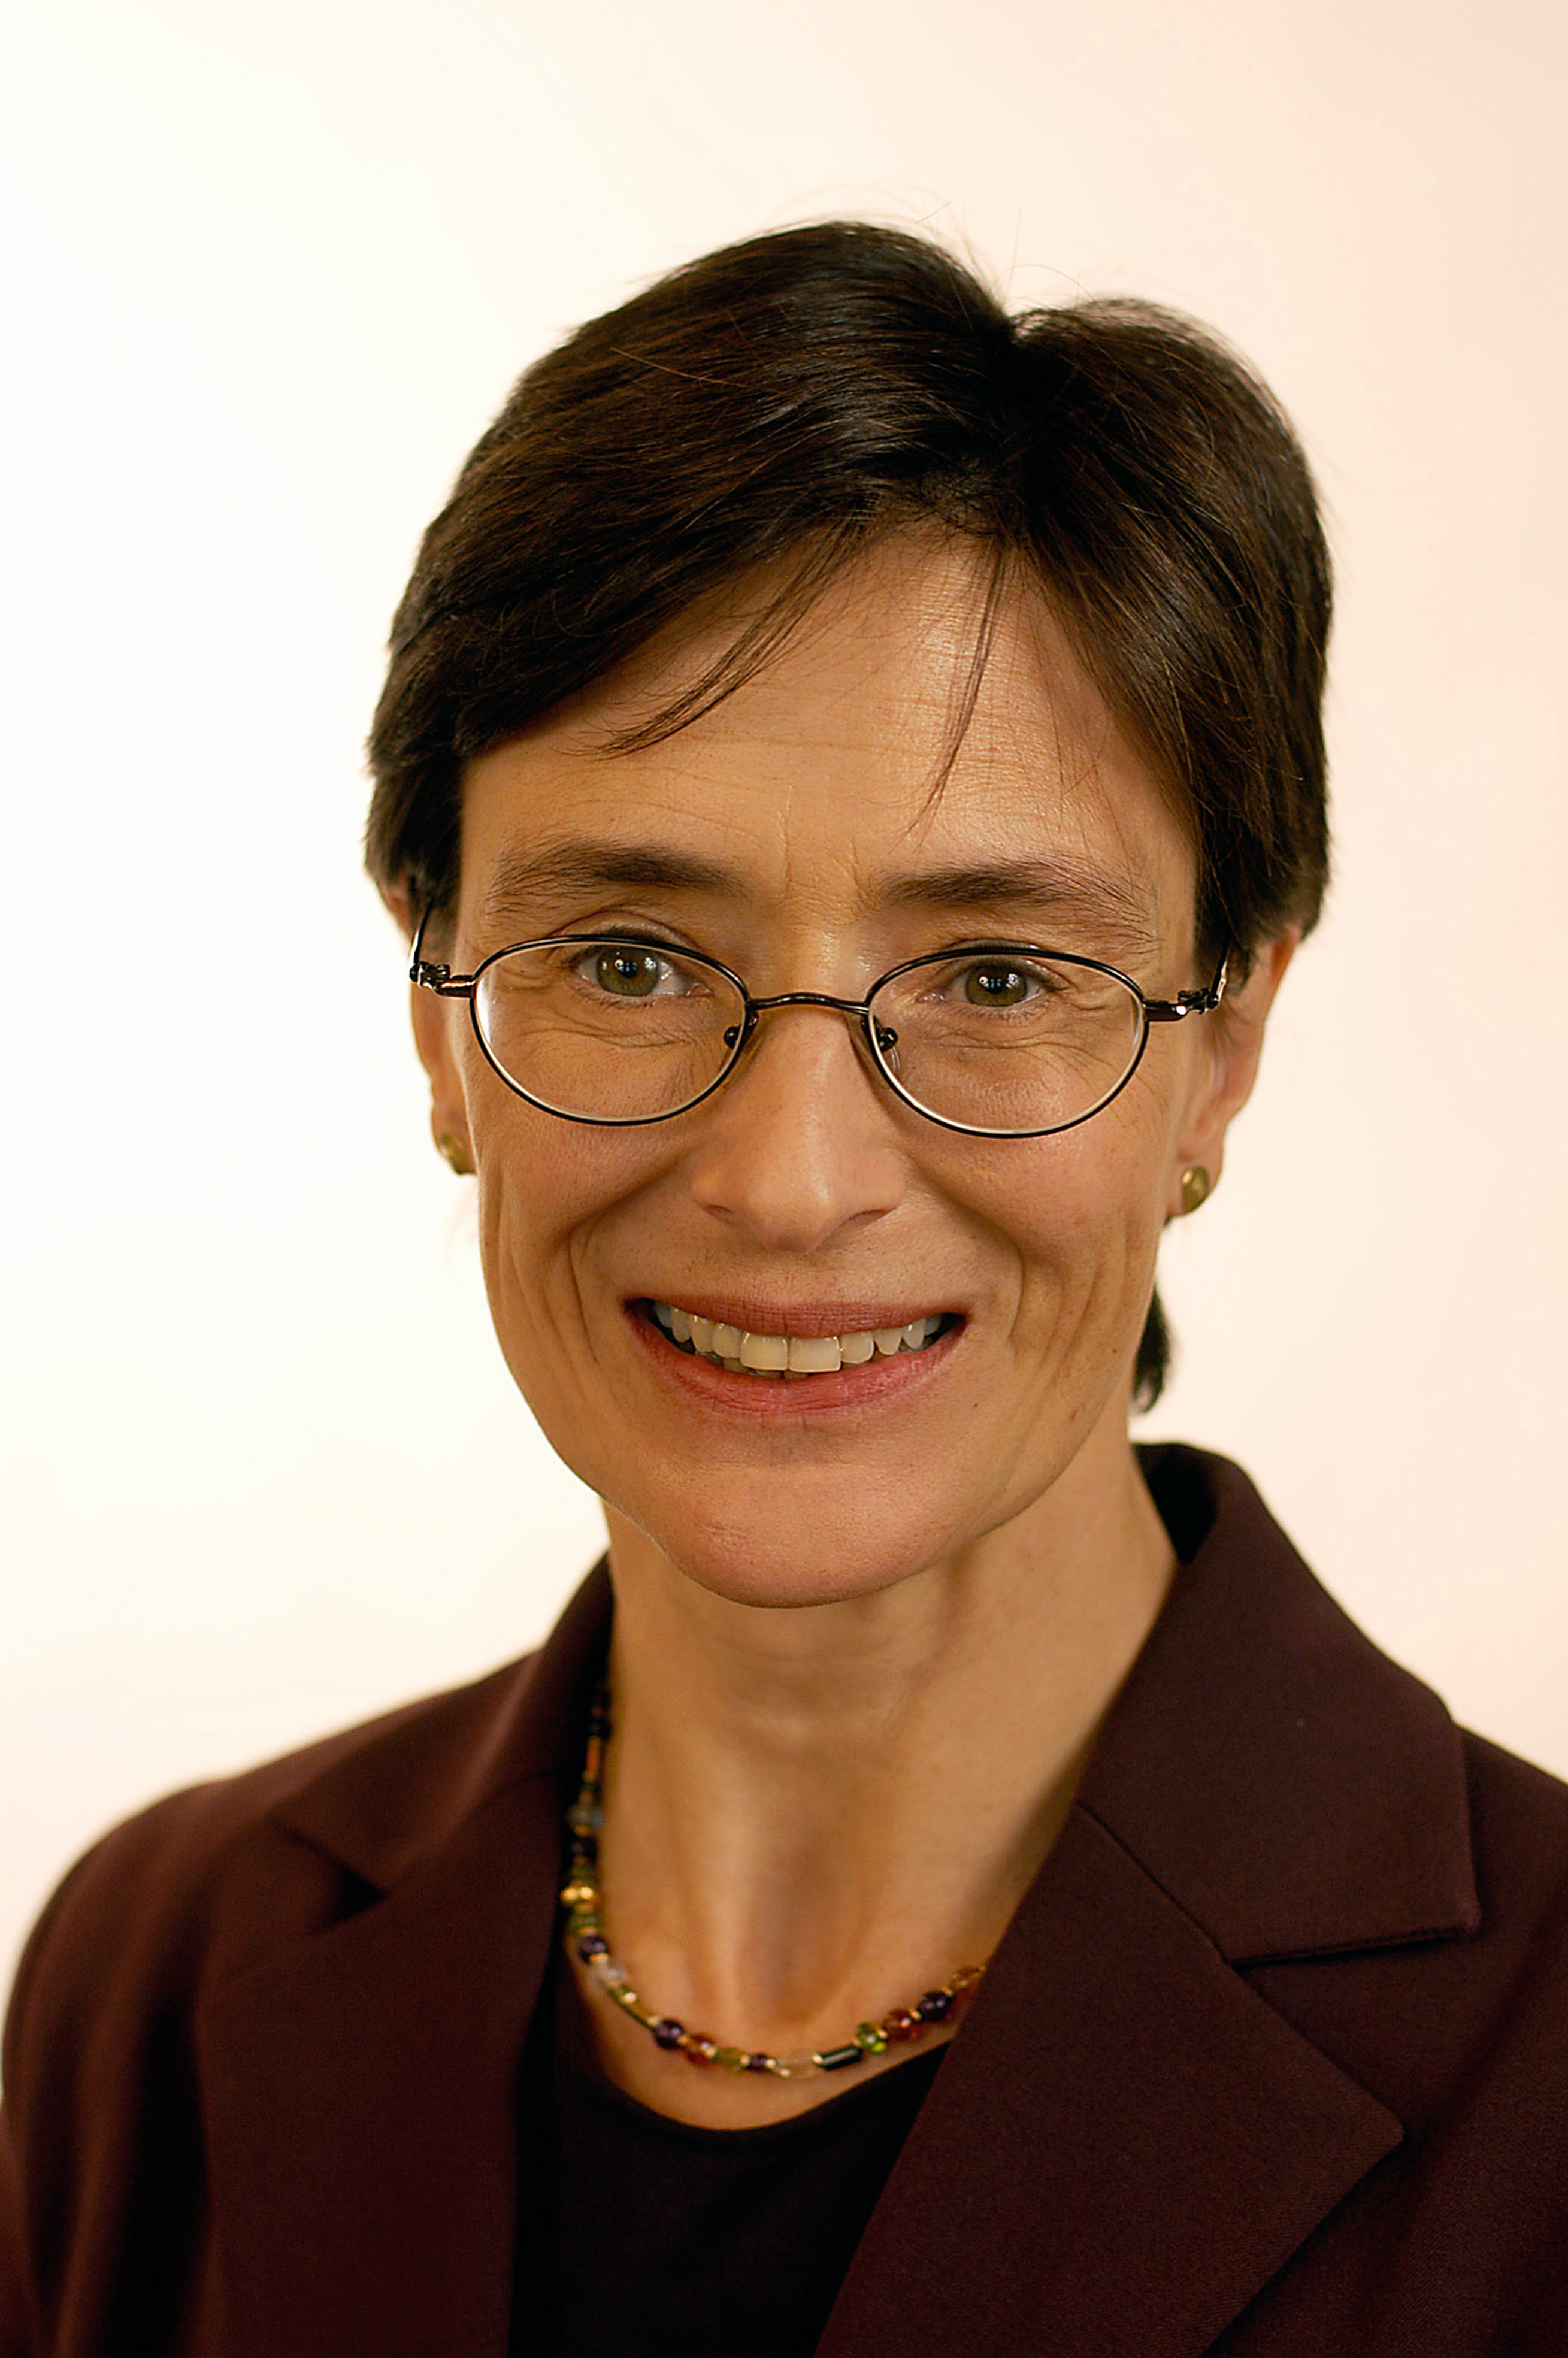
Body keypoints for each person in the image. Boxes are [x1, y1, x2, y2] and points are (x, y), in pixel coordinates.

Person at [2, 220, 1566, 2358]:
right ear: (438, 1012)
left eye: (996, 975)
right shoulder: (152, 1976)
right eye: (631, 958)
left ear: (1223, 1047)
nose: (789, 1181)